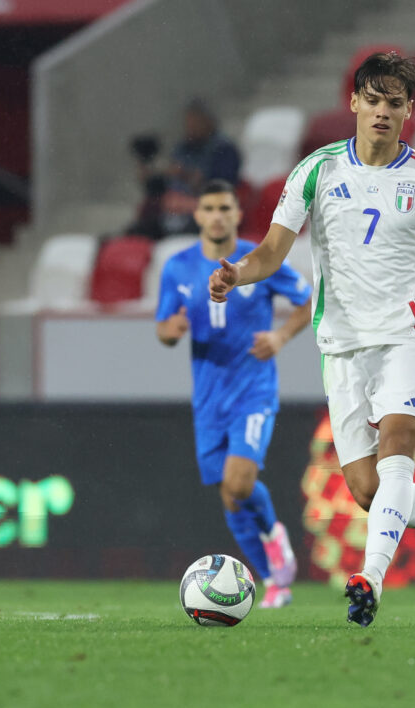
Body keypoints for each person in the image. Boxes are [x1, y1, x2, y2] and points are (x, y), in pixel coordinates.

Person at [208, 52, 415, 627]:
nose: (382, 113)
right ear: (354, 103)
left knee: (398, 449)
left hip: (405, 338)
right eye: (373, 100)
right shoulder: (316, 171)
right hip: (340, 346)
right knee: (368, 490)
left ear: (409, 111)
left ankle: (370, 578)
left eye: (395, 103)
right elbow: (271, 251)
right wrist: (236, 273)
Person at [157, 179, 311, 608]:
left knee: (238, 482)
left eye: (225, 207)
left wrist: (280, 336)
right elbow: (163, 327)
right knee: (229, 493)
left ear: (237, 214)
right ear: (198, 215)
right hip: (208, 397)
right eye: (209, 207)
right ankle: (274, 580)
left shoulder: (259, 260)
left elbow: (307, 301)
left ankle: (275, 537)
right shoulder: (177, 267)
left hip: (253, 389)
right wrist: (171, 331)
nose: (218, 214)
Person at [129, 98, 242, 239]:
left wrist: (184, 175)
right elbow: (166, 182)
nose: (190, 126)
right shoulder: (182, 148)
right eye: (188, 121)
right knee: (140, 227)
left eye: (195, 121)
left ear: (208, 121)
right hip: (174, 210)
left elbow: (222, 186)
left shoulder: (223, 150)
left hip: (205, 212)